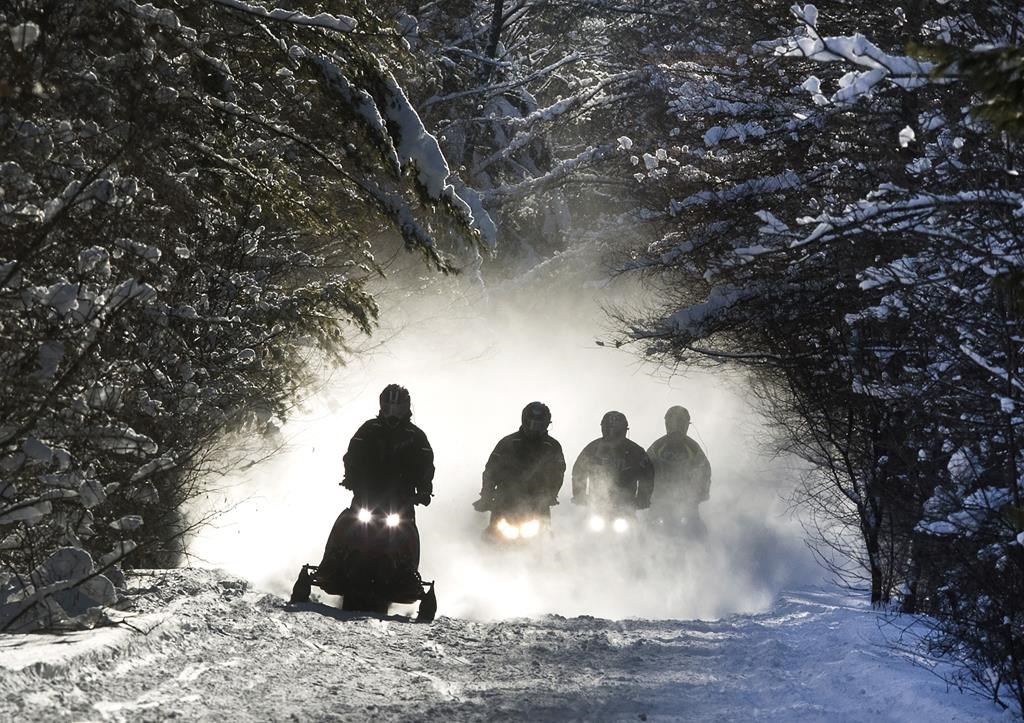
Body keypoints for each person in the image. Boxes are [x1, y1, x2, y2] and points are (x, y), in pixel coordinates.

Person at [473, 402, 566, 537]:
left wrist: (550, 495)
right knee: (490, 537)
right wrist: (486, 496)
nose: (535, 428)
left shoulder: (552, 446)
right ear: (524, 420)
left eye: (539, 424)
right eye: (532, 423)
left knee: (546, 540)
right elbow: (491, 471)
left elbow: (558, 473)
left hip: (537, 504)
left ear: (547, 424)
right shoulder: (508, 442)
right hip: (505, 501)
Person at [341, 383, 435, 514]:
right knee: (343, 524)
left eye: (398, 410)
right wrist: (350, 477)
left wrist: (424, 490)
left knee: (409, 533)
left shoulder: (416, 436)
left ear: (406, 408)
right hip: (366, 499)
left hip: (402, 504)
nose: (393, 414)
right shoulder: (368, 429)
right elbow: (352, 456)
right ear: (381, 406)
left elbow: (426, 466)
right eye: (388, 408)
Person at [646, 405, 711, 534]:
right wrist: (645, 492)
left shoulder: (693, 447)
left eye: (680, 422)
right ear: (667, 423)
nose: (676, 426)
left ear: (686, 424)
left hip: (685, 502)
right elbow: (645, 467)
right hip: (659, 501)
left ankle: (704, 548)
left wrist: (701, 493)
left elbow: (704, 471)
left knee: (698, 531)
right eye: (673, 421)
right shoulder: (658, 445)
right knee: (647, 529)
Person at [572, 411, 654, 512]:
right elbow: (579, 472)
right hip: (597, 505)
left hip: (626, 506)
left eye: (616, 431)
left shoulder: (636, 451)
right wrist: (580, 496)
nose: (612, 433)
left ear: (624, 430)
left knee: (634, 527)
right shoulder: (592, 449)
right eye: (609, 429)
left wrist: (643, 499)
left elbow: (647, 475)